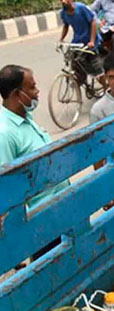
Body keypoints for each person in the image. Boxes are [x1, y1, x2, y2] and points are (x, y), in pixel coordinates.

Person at [0, 65, 69, 208]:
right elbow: (6, 187)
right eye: (32, 87)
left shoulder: (25, 118)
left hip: (61, 202)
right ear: (16, 94)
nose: (37, 92)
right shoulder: (5, 133)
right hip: (43, 215)